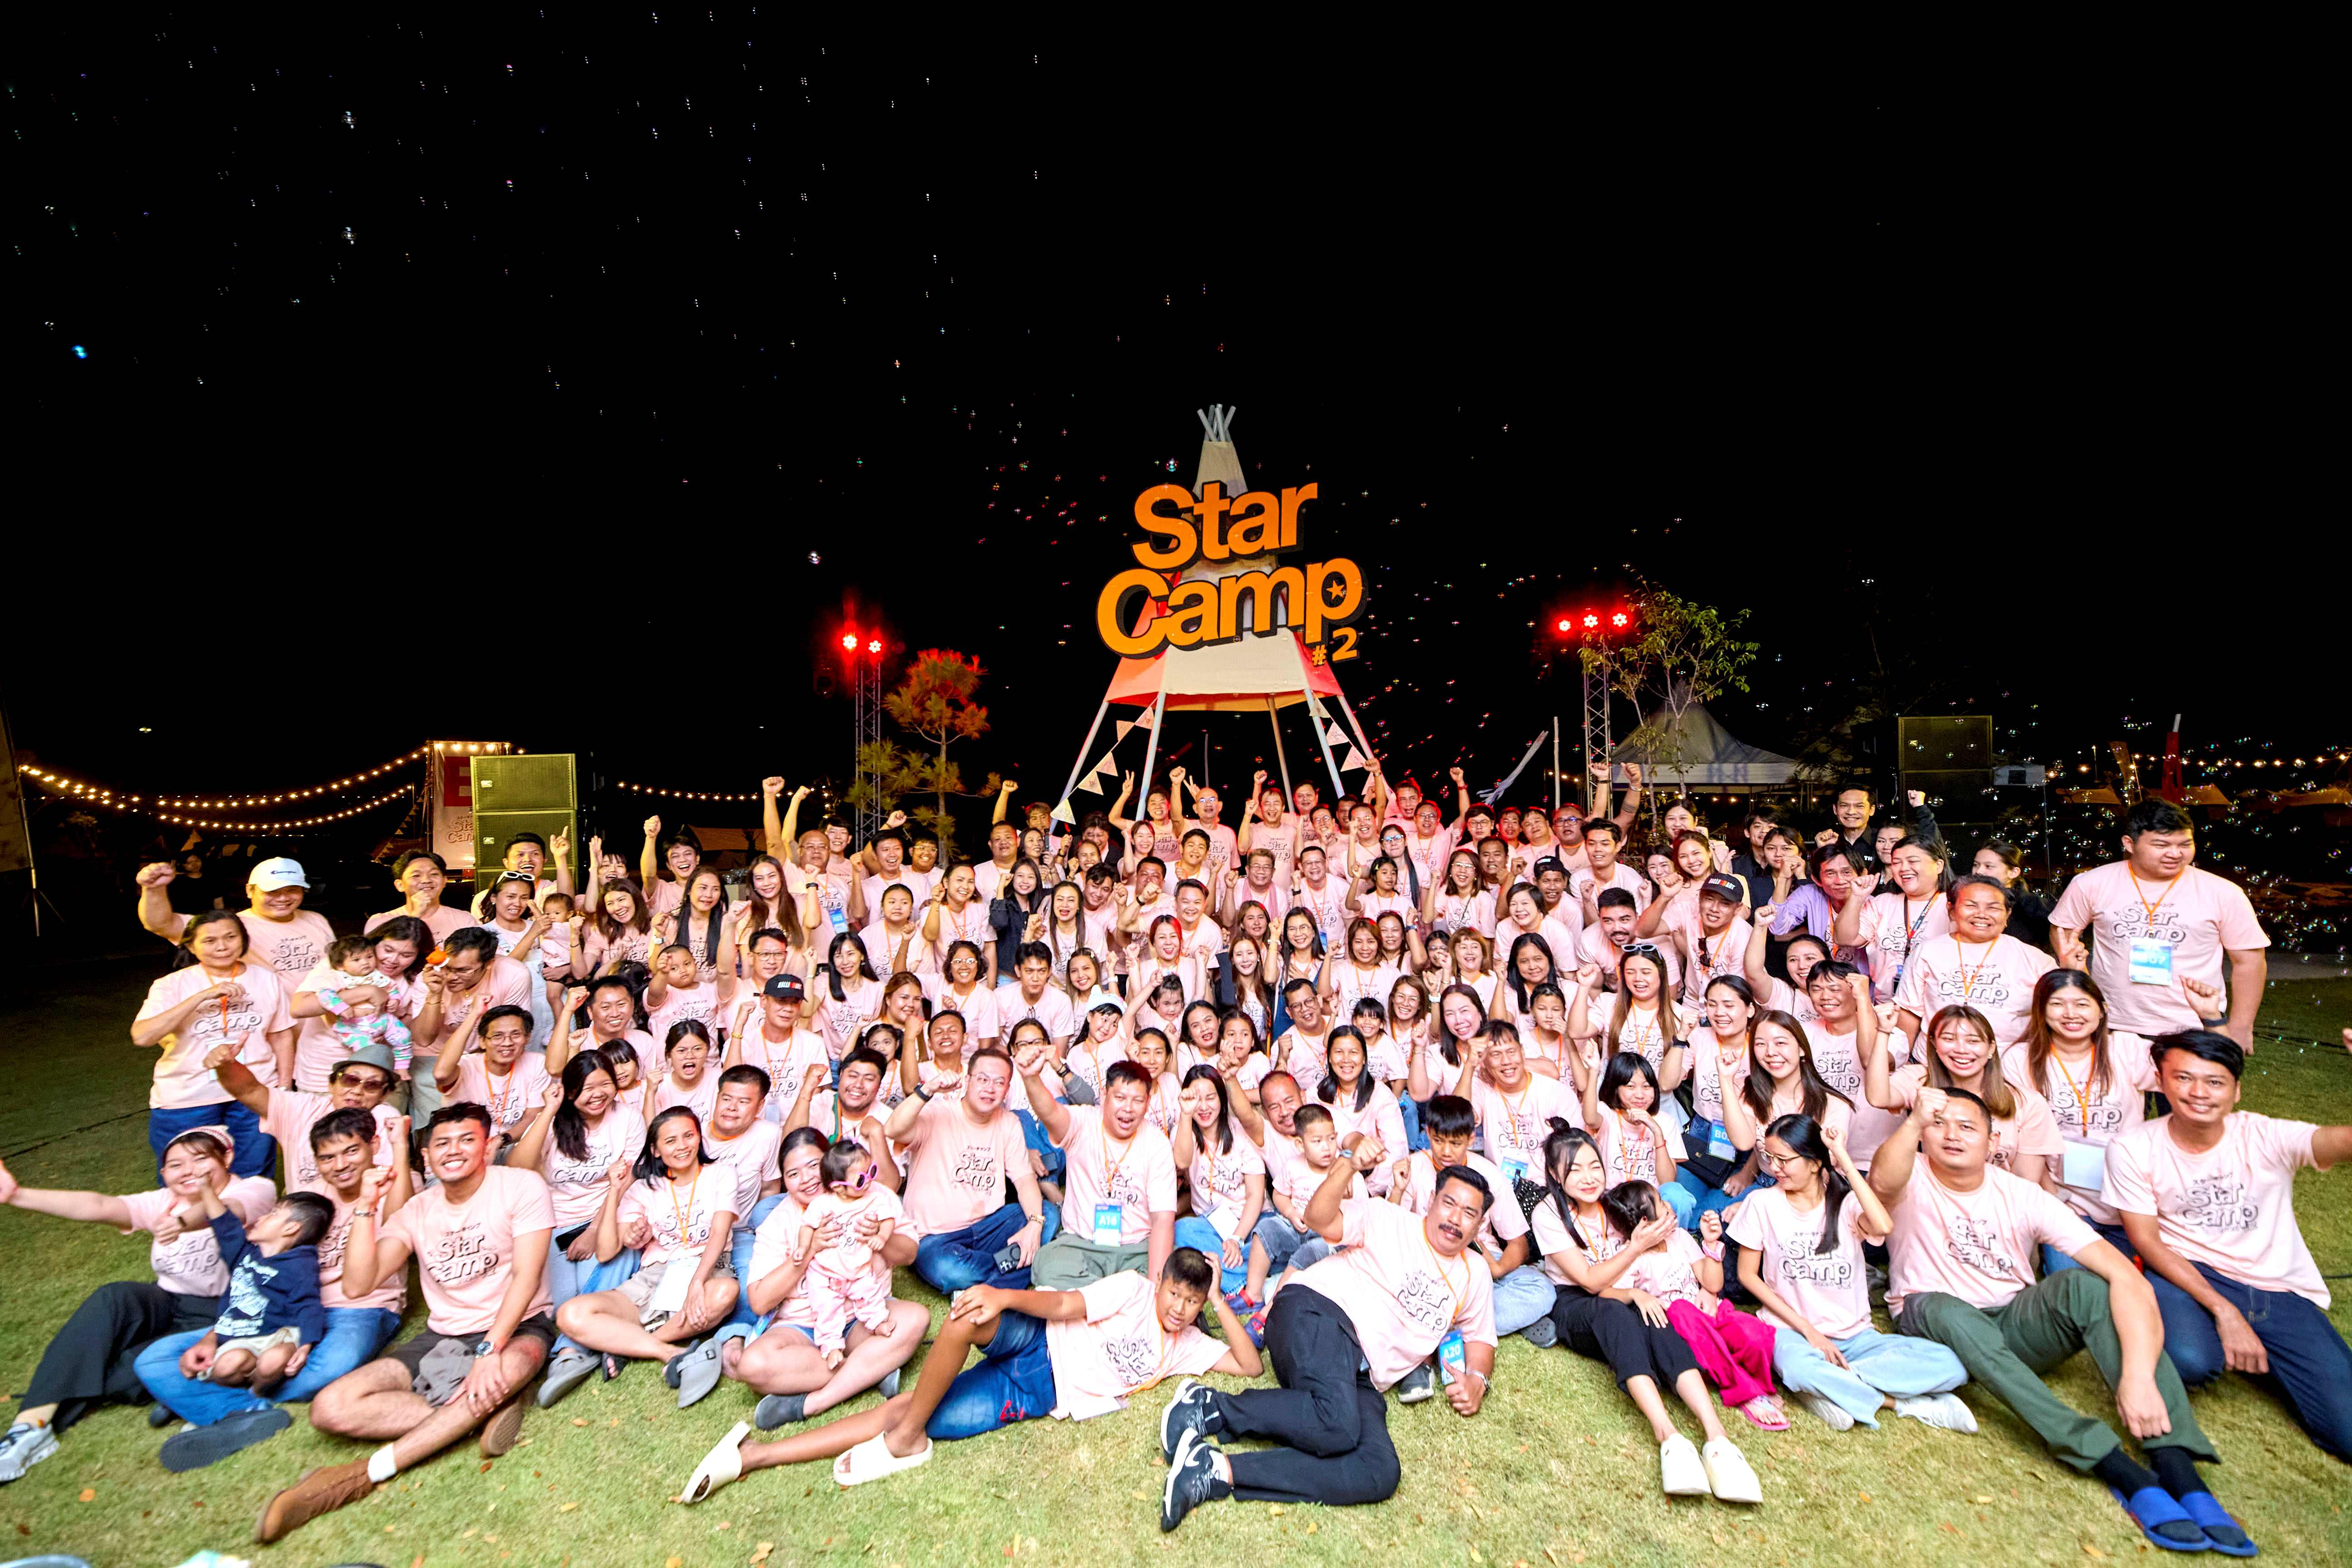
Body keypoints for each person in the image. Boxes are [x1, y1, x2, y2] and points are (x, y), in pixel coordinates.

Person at [1871, 1085, 2247, 1554]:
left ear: (1992, 1142)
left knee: (2089, 1286)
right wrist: (1912, 1122)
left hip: (2010, 1323)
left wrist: (2137, 1379)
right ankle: (2108, 1461)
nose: (1951, 1135)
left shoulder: (2022, 1194)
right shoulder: (1910, 1178)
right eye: (1938, 1125)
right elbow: (1882, 1182)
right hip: (1936, 1321)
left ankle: (2174, 1460)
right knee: (1945, 1307)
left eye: (1967, 1127)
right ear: (1922, 1135)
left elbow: (2127, 1279)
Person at [680, 1247, 1255, 1503]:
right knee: (968, 1313)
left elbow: (1249, 1364)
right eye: (1174, 1294)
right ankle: (906, 1442)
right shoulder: (1132, 1290)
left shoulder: (1189, 1344)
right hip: (1039, 1338)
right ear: (1160, 1284)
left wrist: (1218, 1299)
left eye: (1191, 1302)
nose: (1178, 1308)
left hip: (1037, 1390)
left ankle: (757, 1456)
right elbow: (1062, 1305)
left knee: (905, 1411)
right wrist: (1003, 1296)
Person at [1154, 1142, 1499, 1529]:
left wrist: (1478, 1379)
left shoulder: (1475, 1273)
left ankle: (1215, 1470)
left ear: (1479, 1224)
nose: (1455, 1219)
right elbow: (1318, 1218)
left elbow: (1480, 1337)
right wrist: (1348, 1166)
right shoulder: (1388, 1217)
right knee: (1337, 1423)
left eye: (1469, 1213)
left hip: (1363, 1374)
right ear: (1433, 1200)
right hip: (1318, 1311)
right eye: (1449, 1204)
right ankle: (1208, 1407)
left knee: (1379, 1470)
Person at [256, 1104, 555, 1542]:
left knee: (501, 1370)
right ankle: (477, 1414)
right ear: (427, 1157)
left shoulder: (521, 1187)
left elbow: (526, 1276)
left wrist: (490, 1350)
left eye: (467, 1140)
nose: (453, 1151)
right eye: (442, 1144)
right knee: (329, 1408)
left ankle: (361, 1475)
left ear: (488, 1147)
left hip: (519, 1328)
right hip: (443, 1335)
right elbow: (359, 1284)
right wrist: (365, 1207)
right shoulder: (416, 1209)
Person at [2105, 1029, 2352, 1465]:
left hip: (2273, 1286)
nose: (2198, 1093)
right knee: (2191, 1361)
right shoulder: (2133, 1148)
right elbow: (2146, 1241)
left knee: (2347, 1431)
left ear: (2236, 1091)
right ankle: (2225, 1334)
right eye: (2183, 1078)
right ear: (2160, 1082)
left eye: (2215, 1082)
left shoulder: (2265, 1136)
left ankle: (2266, 1349)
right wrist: (2225, 1311)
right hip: (2187, 1272)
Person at [134, 1107, 412, 1470]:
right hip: (276, 1312)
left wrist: (401, 1148)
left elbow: (399, 1216)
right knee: (154, 1359)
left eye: (351, 1151)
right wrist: (216, 1335)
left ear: (373, 1146)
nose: (340, 1165)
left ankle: (206, 1397)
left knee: (331, 1369)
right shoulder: (309, 1197)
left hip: (357, 1309)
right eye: (327, 1157)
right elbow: (244, 1253)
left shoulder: (395, 1182)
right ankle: (242, 1407)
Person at [0, 1129, 275, 1484]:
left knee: (123, 1374)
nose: (188, 1171)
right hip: (168, 1300)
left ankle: (61, 1402)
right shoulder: (165, 1200)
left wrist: (182, 1223)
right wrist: (17, 1195)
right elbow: (98, 1206)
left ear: (227, 1158)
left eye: (200, 1159)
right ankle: (28, 1429)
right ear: (163, 1173)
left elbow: (229, 1213)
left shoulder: (255, 1189)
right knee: (114, 1297)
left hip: (225, 1312)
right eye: (175, 1165)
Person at [1728, 1113, 1973, 1433]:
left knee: (1953, 1365)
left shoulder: (1846, 1204)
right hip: (1793, 1333)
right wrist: (1809, 1332)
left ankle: (1830, 1387)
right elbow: (1748, 1276)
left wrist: (1841, 1155)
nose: (1775, 1168)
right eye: (1770, 1158)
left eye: (1784, 1160)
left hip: (1856, 1338)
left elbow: (1883, 1226)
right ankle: (1905, 1404)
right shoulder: (1761, 1203)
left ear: (1815, 1163)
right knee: (1798, 1368)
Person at [725, 1127, 928, 1431]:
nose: (807, 1179)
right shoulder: (779, 1221)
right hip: (802, 1328)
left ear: (832, 1164)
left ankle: (813, 1402)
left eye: (813, 1166)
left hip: (862, 1317)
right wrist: (809, 1250)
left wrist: (879, 1236)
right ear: (785, 1181)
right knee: (752, 1365)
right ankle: (872, 1368)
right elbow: (759, 1301)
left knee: (916, 1319)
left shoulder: (873, 1195)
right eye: (793, 1174)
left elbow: (909, 1255)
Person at [2049, 798, 2269, 1051]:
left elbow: (2249, 961)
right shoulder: (2091, 883)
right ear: (2129, 844)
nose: (2175, 854)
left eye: (2185, 844)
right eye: (2162, 845)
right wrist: (2078, 973)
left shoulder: (2223, 892)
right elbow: (2063, 931)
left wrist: (2241, 1027)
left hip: (2195, 1025)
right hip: (2111, 1022)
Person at [548, 1107, 738, 1392]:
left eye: (689, 1136)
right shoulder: (644, 1189)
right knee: (570, 1314)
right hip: (654, 1277)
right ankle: (667, 1351)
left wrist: (697, 1283)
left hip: (708, 1269)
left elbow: (720, 1234)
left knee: (725, 1292)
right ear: (656, 1150)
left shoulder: (721, 1174)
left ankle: (627, 1345)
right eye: (670, 1141)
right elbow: (606, 1252)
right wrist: (616, 1191)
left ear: (700, 1138)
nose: (682, 1146)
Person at [513, 1047, 650, 1406]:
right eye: (588, 1088)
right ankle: (607, 1342)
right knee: (563, 1302)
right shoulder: (555, 1121)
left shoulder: (628, 1119)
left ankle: (569, 1351)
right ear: (571, 1090)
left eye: (605, 1084)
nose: (598, 1094)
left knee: (601, 1277)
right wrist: (549, 1111)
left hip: (607, 1216)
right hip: (554, 1224)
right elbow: (517, 1169)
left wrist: (593, 1230)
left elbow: (627, 1182)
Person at [2004, 970, 2161, 1267]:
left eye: (2082, 1004)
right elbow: (2026, 1142)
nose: (2070, 1014)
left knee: (2139, 1283)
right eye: (2057, 1004)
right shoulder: (2021, 1059)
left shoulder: (2125, 1048)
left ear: (2102, 1010)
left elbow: (2199, 1074)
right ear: (2041, 1011)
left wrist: (2211, 1020)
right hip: (2068, 1202)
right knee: (2072, 1284)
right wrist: (2054, 1200)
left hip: (2132, 1199)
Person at [1603, 1184, 1786, 1431]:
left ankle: (1757, 1382)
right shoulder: (1633, 1258)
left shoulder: (1680, 1237)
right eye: (1661, 1203)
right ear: (1645, 1222)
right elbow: (1607, 1292)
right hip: (1686, 1336)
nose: (1669, 1205)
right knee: (1680, 1309)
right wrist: (1636, 1294)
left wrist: (1711, 1244)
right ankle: (1748, 1393)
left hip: (1712, 1315)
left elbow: (1713, 1284)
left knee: (1754, 1333)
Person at [135, 908, 295, 1178]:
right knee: (188, 1178)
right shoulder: (171, 985)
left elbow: (281, 1036)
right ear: (190, 946)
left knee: (254, 1176)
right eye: (209, 941)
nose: (222, 947)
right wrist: (202, 997)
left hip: (254, 1092)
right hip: (188, 1097)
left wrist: (284, 1088)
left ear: (243, 939)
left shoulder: (266, 978)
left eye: (231, 937)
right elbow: (143, 1036)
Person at [890, 1045, 1056, 1293]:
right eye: (983, 1079)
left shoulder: (1009, 1123)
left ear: (1007, 1089)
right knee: (949, 1270)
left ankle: (992, 1280)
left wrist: (1034, 1224)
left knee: (1047, 1214)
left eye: (999, 1082)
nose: (990, 1088)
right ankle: (1011, 1273)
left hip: (988, 1227)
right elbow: (892, 1129)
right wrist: (927, 1090)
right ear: (968, 1081)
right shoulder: (937, 1113)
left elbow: (1024, 1179)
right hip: (935, 1238)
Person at [1018, 1050, 1177, 1289]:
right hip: (1082, 1244)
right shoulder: (1084, 1122)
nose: (1128, 1108)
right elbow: (1051, 1113)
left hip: (1136, 1248)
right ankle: (1123, 1297)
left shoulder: (1157, 1144)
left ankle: (1090, 1299)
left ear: (1148, 1102)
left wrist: (1156, 1287)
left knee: (1170, 1271)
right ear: (1104, 1096)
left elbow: (1163, 1220)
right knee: (1049, 1265)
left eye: (1138, 1100)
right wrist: (1031, 1078)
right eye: (1120, 1098)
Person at [169, 1185, 334, 1399]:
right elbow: (225, 1226)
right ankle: (242, 1390)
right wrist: (207, 1188)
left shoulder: (300, 1265)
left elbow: (308, 1304)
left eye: (273, 1214)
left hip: (280, 1334)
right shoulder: (244, 1253)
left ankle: (259, 1392)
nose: (262, 1218)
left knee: (273, 1361)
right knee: (226, 1367)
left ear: (291, 1228)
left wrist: (306, 1344)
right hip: (242, 1335)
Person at [1867, 1004, 2061, 1185]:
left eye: (1973, 1041)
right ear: (1934, 1044)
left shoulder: (2028, 1103)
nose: (1961, 1050)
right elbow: (1878, 1098)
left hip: (1997, 1202)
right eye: (1949, 1039)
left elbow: (2024, 1183)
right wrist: (1884, 1032)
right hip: (1932, 1196)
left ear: (1991, 1048)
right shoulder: (1920, 1080)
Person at [202, 1034, 401, 1196]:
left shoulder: (385, 1119)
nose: (357, 1091)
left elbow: (388, 1183)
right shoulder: (302, 1108)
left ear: (384, 1095)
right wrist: (226, 1066)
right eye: (350, 1080)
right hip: (303, 1215)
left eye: (372, 1085)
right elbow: (249, 1091)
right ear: (331, 1084)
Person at [135, 856, 337, 1008]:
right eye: (272, 892)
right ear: (250, 891)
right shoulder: (232, 926)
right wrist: (153, 890)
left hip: (324, 1024)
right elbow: (161, 924)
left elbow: (336, 966)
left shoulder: (315, 920)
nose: (283, 898)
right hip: (269, 1027)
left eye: (292, 890)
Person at [1893, 874, 2056, 1047]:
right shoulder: (1927, 952)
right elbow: (1909, 1014)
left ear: (2008, 914)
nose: (1982, 915)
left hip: (2007, 1061)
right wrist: (1898, 1058)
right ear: (1952, 910)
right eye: (1971, 906)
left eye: (1993, 908)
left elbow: (2062, 1012)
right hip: (1935, 1059)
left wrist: (2070, 966)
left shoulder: (2035, 960)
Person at [789, 1140, 903, 1363]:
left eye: (872, 1171)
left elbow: (888, 1220)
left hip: (859, 1267)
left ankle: (878, 1322)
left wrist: (882, 1236)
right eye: (861, 1179)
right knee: (826, 1309)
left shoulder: (875, 1198)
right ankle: (831, 1346)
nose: (869, 1181)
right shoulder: (822, 1204)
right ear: (838, 1187)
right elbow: (807, 1227)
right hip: (825, 1272)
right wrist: (803, 1247)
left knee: (870, 1293)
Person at [1171, 1065, 1267, 1308]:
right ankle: (1247, 1279)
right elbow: (1182, 1162)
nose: (1203, 1107)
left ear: (1222, 1099)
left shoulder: (1241, 1132)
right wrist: (1186, 1114)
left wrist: (1237, 1239)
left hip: (1251, 1220)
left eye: (1210, 1098)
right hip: (1212, 1226)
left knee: (1268, 1237)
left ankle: (1242, 1270)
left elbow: (1256, 1195)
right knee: (1183, 1230)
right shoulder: (1184, 1130)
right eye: (1196, 1099)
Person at [369, 850, 478, 946]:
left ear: (444, 881)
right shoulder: (380, 923)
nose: (426, 880)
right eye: (416, 876)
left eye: (434, 874)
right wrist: (415, 916)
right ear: (400, 885)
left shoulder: (464, 921)